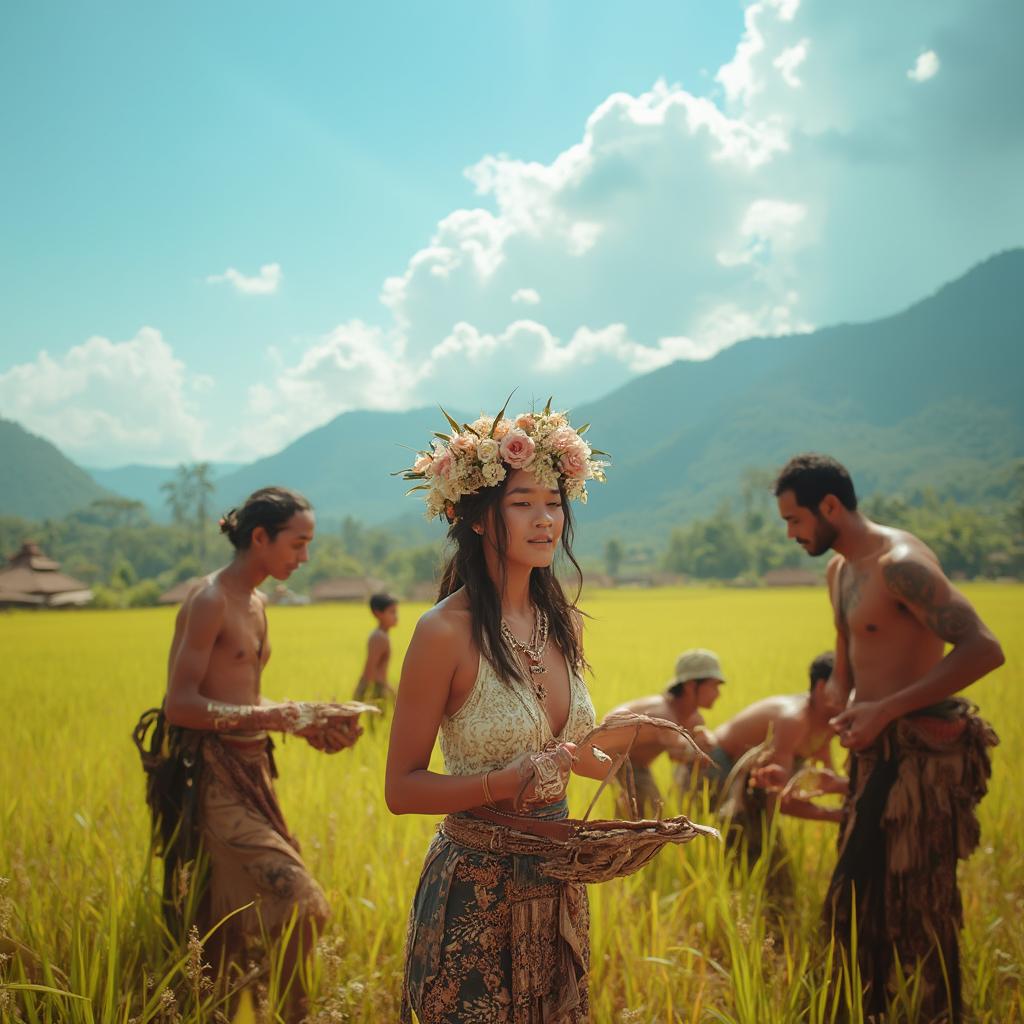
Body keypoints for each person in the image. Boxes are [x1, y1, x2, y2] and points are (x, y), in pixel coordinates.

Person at [386, 401, 616, 1024]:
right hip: (476, 893)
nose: (545, 520)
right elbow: (401, 789)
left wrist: (635, 741)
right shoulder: (443, 632)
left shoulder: (557, 621)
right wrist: (506, 782)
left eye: (554, 501)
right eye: (523, 503)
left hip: (557, 879)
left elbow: (584, 762)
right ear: (479, 518)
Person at [775, 452, 1003, 1022]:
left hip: (925, 758)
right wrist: (846, 707)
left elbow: (983, 648)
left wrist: (885, 710)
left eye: (795, 520)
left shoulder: (902, 565)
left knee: (919, 905)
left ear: (830, 506)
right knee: (859, 900)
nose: (791, 534)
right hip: (875, 751)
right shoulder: (841, 571)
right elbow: (847, 653)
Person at [134, 486, 368, 1019]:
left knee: (223, 935)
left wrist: (305, 719)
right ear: (259, 537)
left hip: (253, 775)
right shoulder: (211, 600)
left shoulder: (257, 602)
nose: (304, 557)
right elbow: (180, 704)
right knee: (304, 907)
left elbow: (245, 697)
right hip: (213, 783)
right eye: (298, 543)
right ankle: (295, 1012)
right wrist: (271, 718)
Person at [602, 648, 724, 818]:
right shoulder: (662, 714)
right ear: (691, 686)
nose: (718, 693)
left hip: (635, 765)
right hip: (612, 762)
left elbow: (694, 741)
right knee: (651, 819)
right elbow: (678, 751)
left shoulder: (693, 717)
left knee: (650, 819)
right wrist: (700, 747)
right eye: (713, 686)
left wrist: (707, 739)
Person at [353, 593, 399, 705]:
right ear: (378, 613)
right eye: (392, 612)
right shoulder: (379, 638)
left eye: (396, 612)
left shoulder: (381, 635)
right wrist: (358, 697)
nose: (396, 616)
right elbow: (369, 669)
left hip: (381, 689)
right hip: (376, 692)